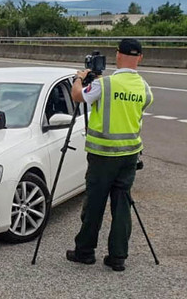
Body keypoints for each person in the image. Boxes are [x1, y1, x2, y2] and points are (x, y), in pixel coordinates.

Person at [66, 38, 153, 272]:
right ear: (140, 58)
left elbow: (78, 97)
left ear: (117, 55)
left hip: (102, 155)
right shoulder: (144, 88)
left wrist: (79, 79)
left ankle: (85, 252)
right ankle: (118, 257)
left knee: (94, 204)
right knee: (122, 204)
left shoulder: (105, 85)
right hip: (130, 155)